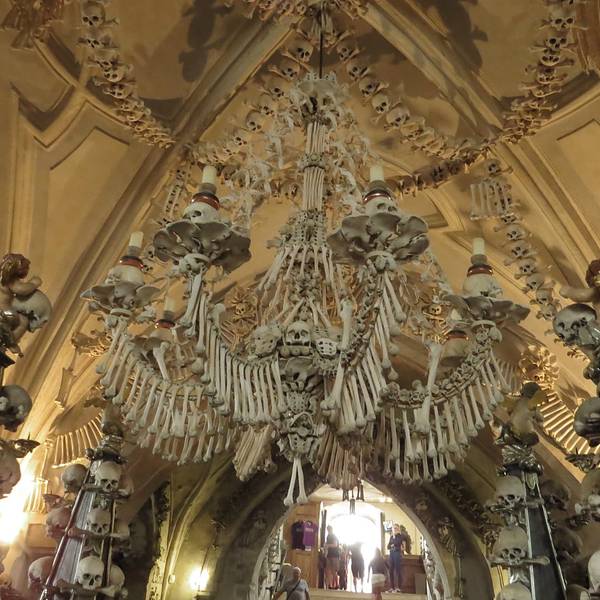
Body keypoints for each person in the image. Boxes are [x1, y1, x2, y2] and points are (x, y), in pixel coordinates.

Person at [387, 523, 410, 592]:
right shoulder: (391, 537)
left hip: (397, 553)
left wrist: (393, 544)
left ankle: (398, 587)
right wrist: (392, 544)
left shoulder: (401, 536)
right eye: (393, 528)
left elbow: (398, 543)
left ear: (398, 529)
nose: (394, 529)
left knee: (398, 570)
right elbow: (388, 546)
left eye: (395, 528)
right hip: (391, 554)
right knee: (390, 571)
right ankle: (392, 587)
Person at [324, 525, 340, 589]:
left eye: (329, 530)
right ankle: (329, 585)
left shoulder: (333, 536)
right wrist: (325, 552)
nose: (328, 531)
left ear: (331, 529)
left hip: (334, 555)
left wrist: (327, 545)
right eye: (328, 530)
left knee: (333, 571)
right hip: (329, 554)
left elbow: (335, 544)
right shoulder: (328, 536)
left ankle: (336, 585)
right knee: (328, 570)